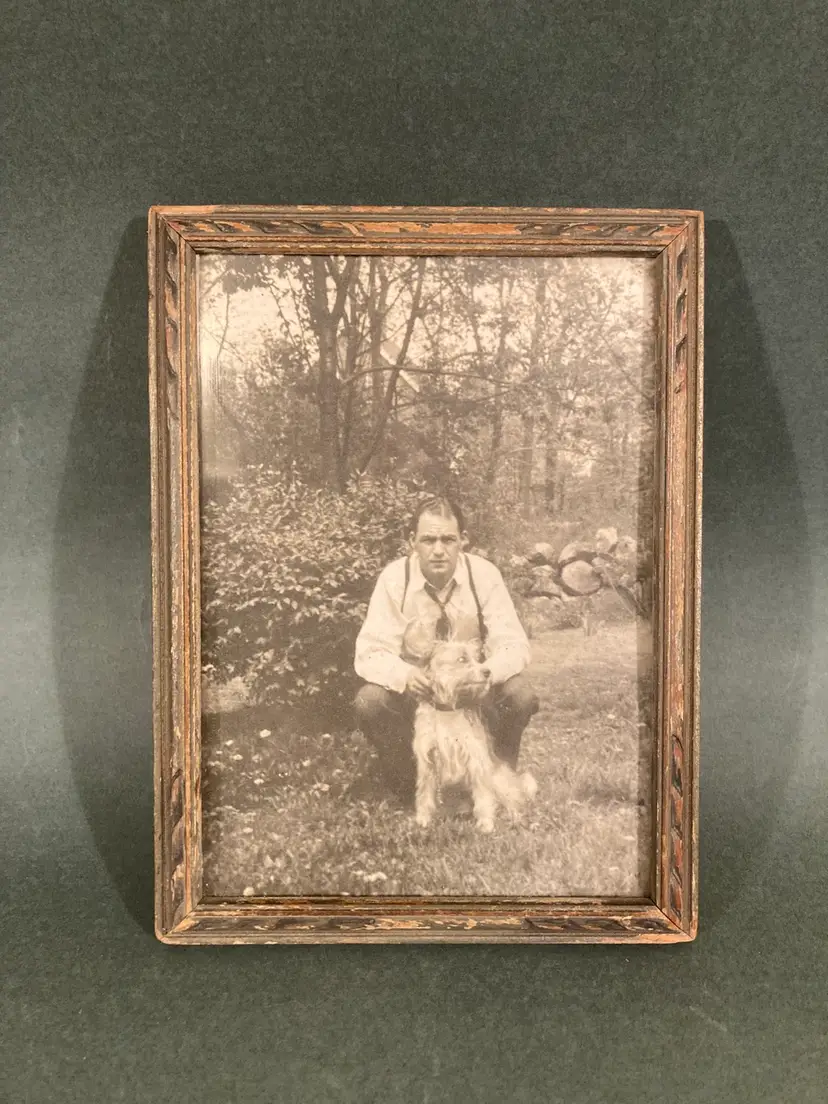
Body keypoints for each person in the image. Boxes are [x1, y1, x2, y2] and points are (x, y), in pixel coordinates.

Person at [354, 496, 539, 802]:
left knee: (520, 695)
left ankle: (493, 784)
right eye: (428, 540)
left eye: (448, 539)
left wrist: (485, 674)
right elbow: (370, 651)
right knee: (370, 701)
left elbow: (513, 644)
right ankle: (408, 788)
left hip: (475, 695)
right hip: (419, 696)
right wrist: (406, 675)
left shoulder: (484, 576)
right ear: (412, 542)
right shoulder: (394, 579)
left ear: (462, 541)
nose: (438, 550)